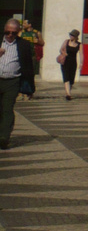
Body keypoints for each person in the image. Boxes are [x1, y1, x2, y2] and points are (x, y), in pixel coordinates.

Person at [1, 18, 37, 149]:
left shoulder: (24, 45)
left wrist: (31, 88)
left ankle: (4, 137)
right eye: (7, 32)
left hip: (13, 81)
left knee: (7, 108)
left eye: (13, 33)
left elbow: (28, 66)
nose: (10, 35)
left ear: (18, 32)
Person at [58, 29, 81, 100]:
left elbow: (81, 54)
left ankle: (69, 93)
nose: (70, 36)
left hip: (73, 62)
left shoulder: (79, 44)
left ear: (76, 36)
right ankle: (67, 94)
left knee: (71, 79)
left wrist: (82, 63)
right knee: (66, 77)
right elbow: (61, 49)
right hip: (65, 61)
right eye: (70, 35)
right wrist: (64, 53)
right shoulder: (66, 41)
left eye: (72, 35)